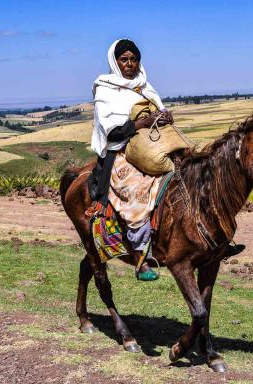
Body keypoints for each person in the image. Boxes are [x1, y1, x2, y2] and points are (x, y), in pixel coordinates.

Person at [90, 38, 172, 281]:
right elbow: (111, 131)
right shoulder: (105, 89)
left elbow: (157, 111)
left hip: (151, 147)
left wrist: (163, 117)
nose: (130, 64)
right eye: (124, 59)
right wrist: (141, 123)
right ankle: (141, 257)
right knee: (136, 190)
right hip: (120, 152)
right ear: (114, 62)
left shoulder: (145, 86)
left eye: (134, 59)